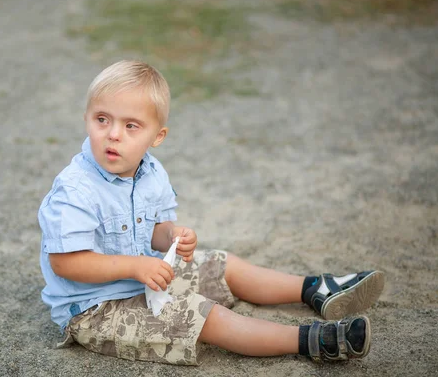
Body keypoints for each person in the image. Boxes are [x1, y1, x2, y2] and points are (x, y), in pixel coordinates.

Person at [38, 60, 385, 365]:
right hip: (96, 310)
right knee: (204, 317)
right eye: (102, 119)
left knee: (222, 263)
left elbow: (155, 232)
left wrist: (173, 236)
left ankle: (315, 288)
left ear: (156, 136)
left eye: (131, 126)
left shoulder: (151, 172)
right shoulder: (76, 189)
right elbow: (65, 263)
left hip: (142, 279)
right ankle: (314, 340)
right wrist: (135, 266)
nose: (113, 134)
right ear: (86, 119)